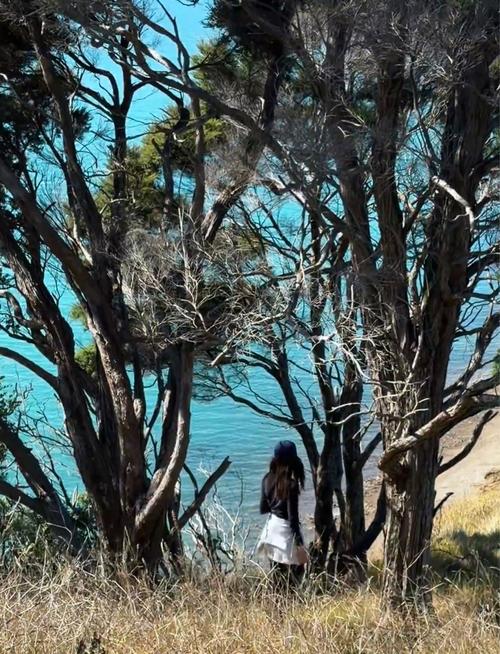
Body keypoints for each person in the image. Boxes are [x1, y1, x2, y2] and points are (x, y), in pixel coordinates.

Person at [257, 440, 308, 584]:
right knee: (296, 576)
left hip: (271, 531)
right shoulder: (291, 485)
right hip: (286, 533)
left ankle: (276, 598)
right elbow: (293, 519)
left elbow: (263, 508)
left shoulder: (266, 478)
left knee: (277, 576)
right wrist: (300, 543)